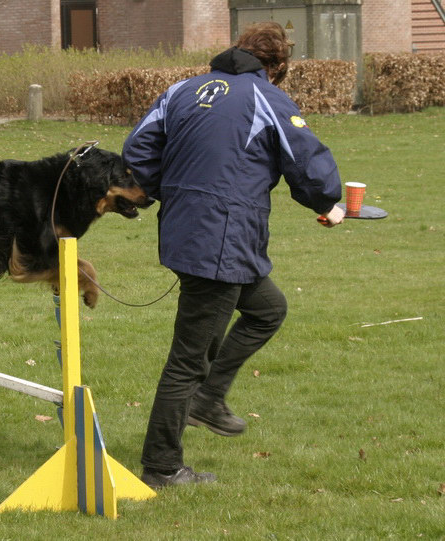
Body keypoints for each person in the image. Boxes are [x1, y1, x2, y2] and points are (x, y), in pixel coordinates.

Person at [122, 21, 345, 489]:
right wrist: (327, 203)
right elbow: (306, 162)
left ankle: (208, 400)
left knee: (268, 310)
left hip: (188, 231)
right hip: (222, 238)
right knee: (188, 359)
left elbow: (138, 151)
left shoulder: (181, 90)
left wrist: (175, 193)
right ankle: (162, 467)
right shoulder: (268, 97)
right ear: (276, 65)